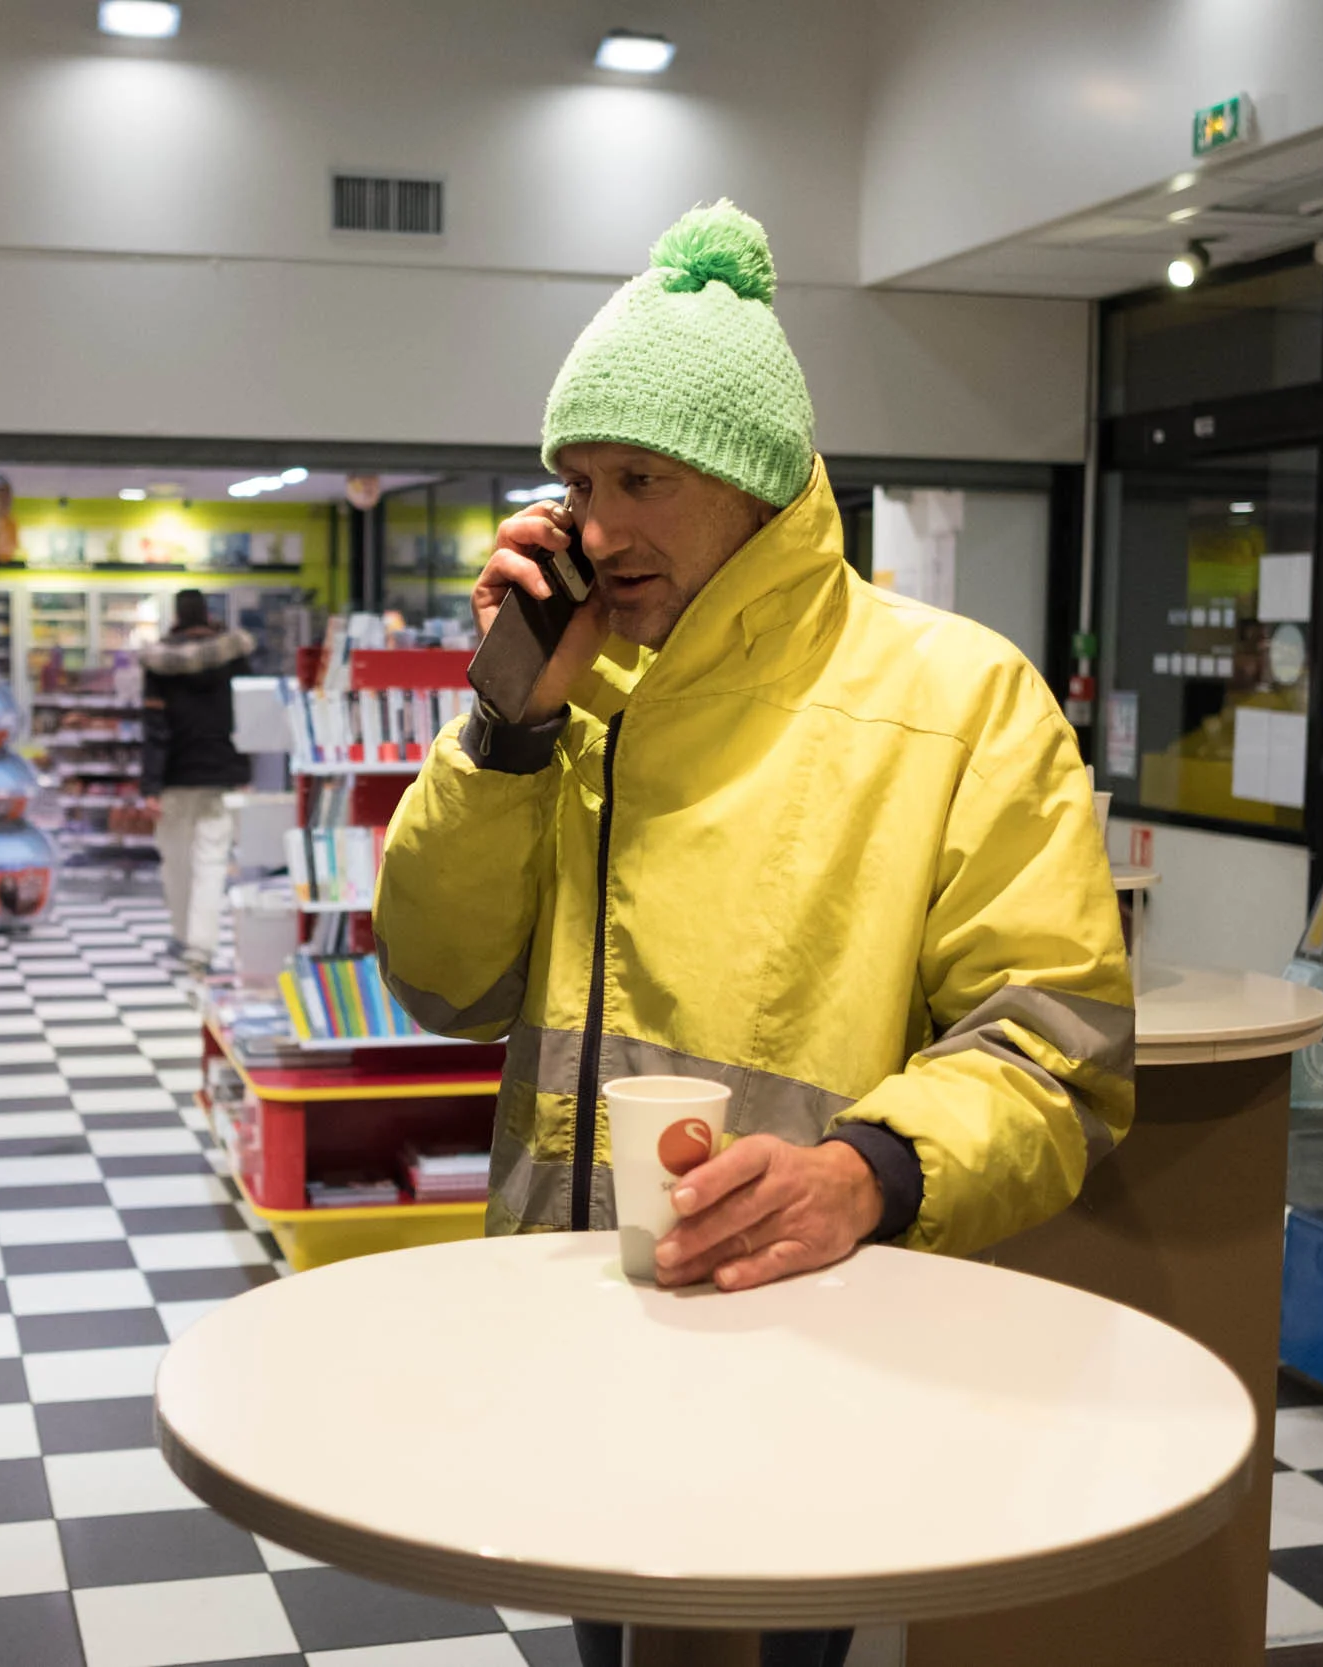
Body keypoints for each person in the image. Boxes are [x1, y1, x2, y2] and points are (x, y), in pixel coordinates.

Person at [370, 201, 1132, 1667]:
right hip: (572, 1308)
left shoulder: (959, 699)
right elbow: (444, 976)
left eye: (641, 476)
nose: (596, 527)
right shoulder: (578, 695)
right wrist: (508, 727)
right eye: (575, 482)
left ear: (753, 480)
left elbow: (1054, 1051)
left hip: (816, 1309)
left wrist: (867, 1169)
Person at [140, 591, 256, 974]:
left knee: (176, 863)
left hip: (174, 777)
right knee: (212, 862)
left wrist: (150, 787)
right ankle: (201, 949)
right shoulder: (234, 657)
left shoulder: (158, 663)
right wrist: (244, 772)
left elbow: (155, 730)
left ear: (175, 616)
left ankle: (182, 935)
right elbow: (248, 717)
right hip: (222, 774)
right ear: (208, 614)